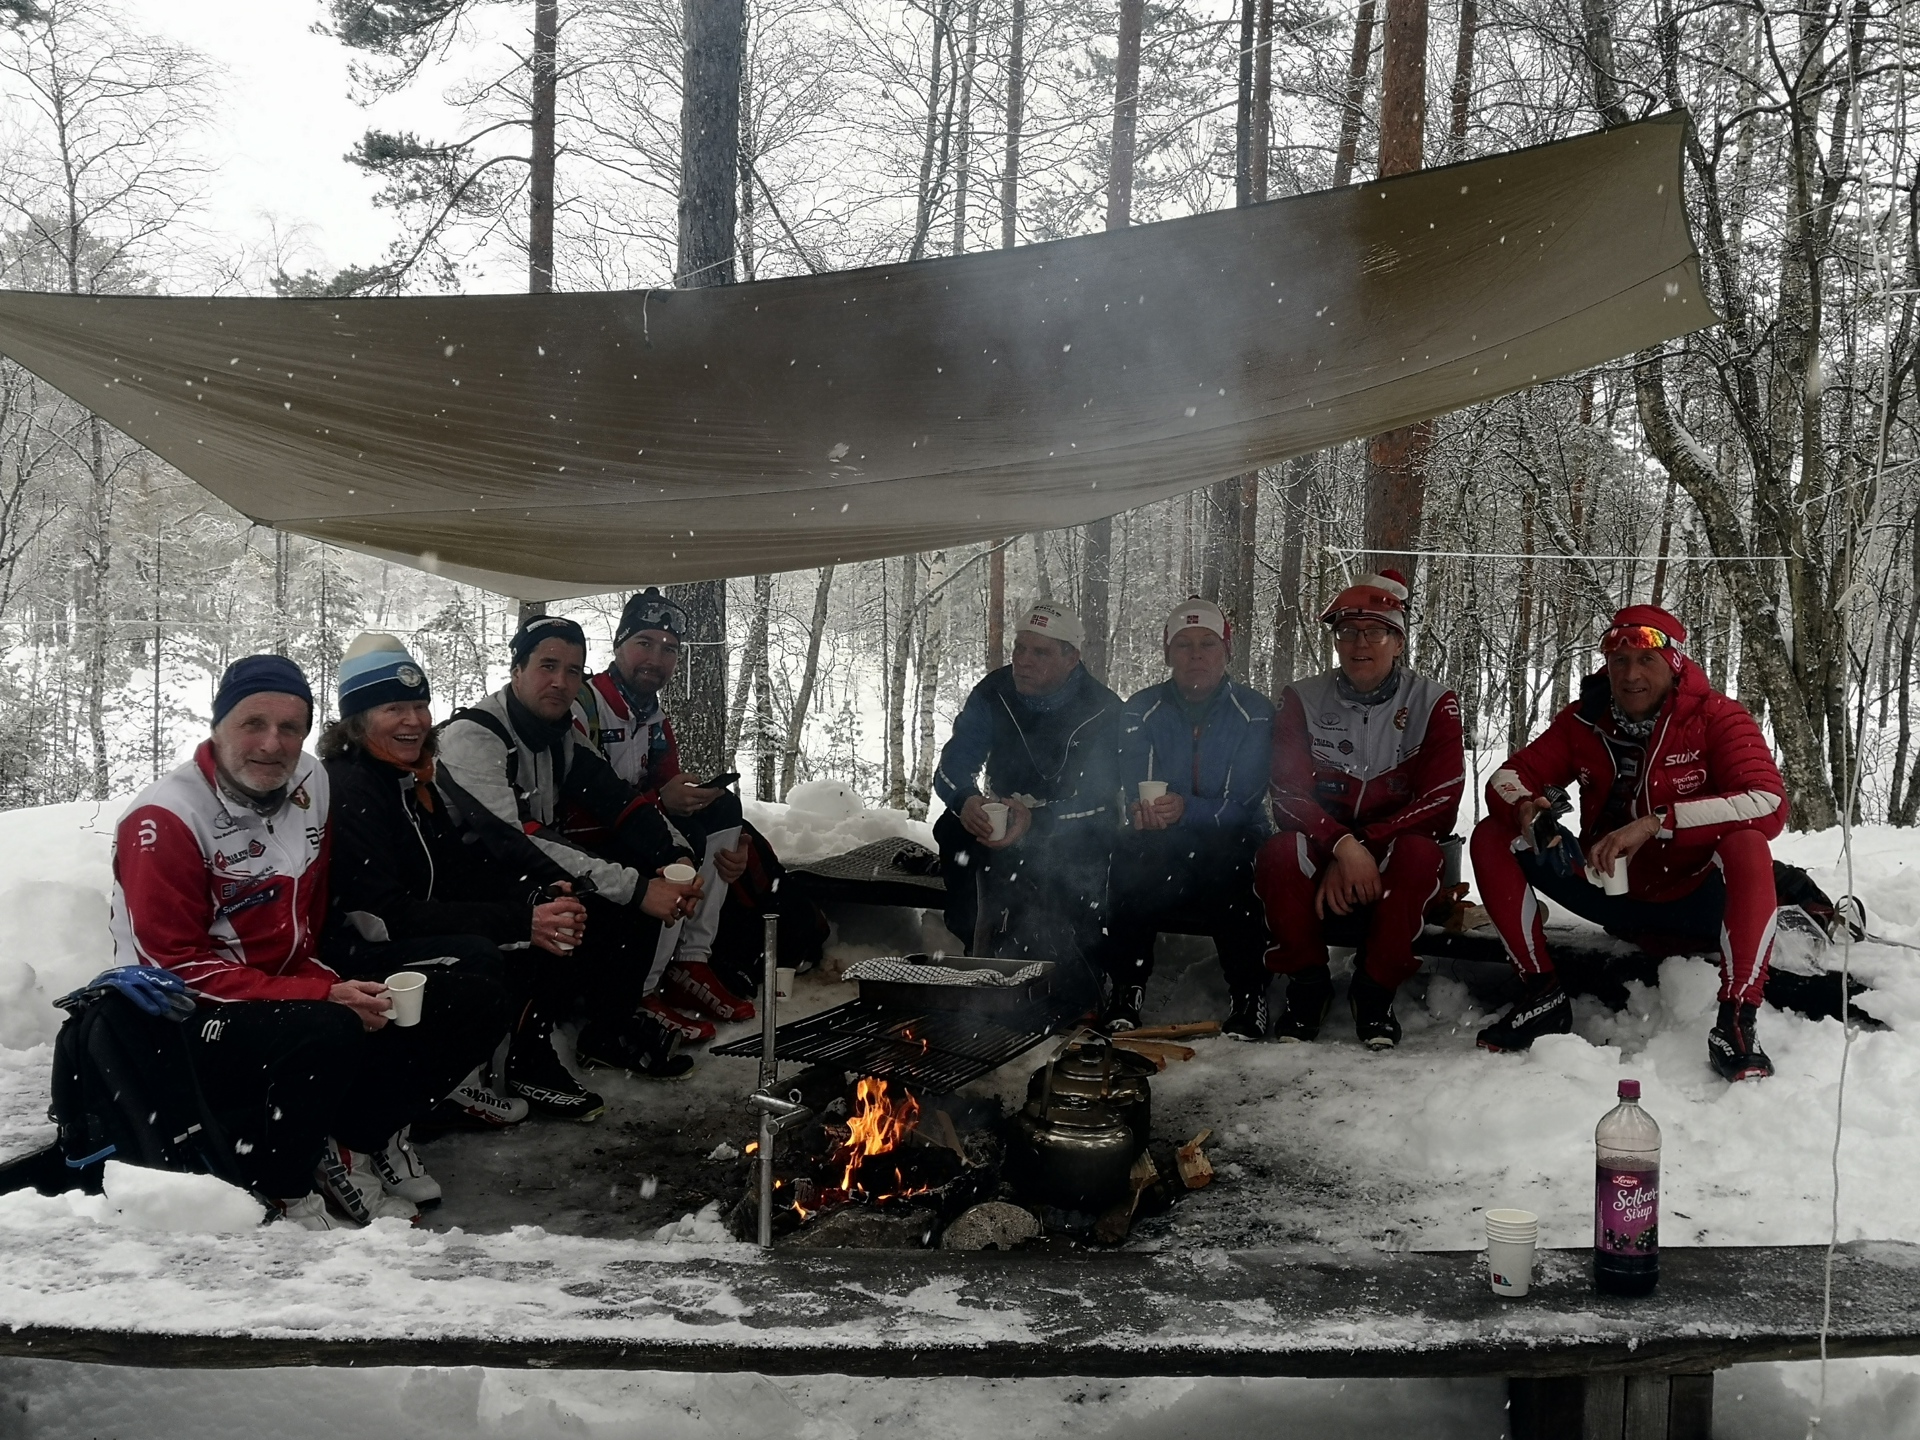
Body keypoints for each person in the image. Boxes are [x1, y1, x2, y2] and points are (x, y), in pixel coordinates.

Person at [110, 655, 509, 1229]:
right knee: (330, 1026)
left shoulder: (309, 782)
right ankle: (283, 1191)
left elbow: (306, 919)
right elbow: (174, 967)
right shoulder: (165, 818)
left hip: (285, 982)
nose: (273, 744)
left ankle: (354, 1139)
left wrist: (335, 984)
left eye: (291, 727)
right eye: (254, 724)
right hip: (179, 1013)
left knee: (463, 1001)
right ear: (218, 724)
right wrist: (318, 998)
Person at [1470, 605, 1786, 1081]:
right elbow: (1508, 776)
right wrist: (1528, 807)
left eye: (1646, 661)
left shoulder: (1717, 717)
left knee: (1747, 843)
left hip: (1694, 895)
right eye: (1619, 661)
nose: (1631, 675)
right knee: (1493, 834)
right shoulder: (1585, 719)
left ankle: (1736, 1021)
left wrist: (1657, 822)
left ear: (1674, 663)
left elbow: (1767, 803)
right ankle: (1542, 993)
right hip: (1611, 889)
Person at [322, 632, 606, 1125]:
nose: (413, 721)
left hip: (403, 927)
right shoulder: (351, 788)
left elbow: (456, 867)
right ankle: (433, 1092)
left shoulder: (411, 779)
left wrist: (534, 895)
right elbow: (382, 917)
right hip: (355, 949)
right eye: (393, 708)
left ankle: (524, 1063)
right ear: (358, 719)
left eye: (419, 705)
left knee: (553, 922)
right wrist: (518, 922)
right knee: (479, 955)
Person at [436, 614, 702, 1078]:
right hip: (463, 881)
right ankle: (526, 1056)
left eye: (573, 671)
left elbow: (617, 798)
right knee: (586, 897)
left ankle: (606, 1031)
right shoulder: (474, 735)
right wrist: (636, 889)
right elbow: (512, 840)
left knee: (634, 872)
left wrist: (674, 857)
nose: (560, 682)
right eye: (547, 666)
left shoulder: (559, 733)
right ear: (517, 669)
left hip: (522, 862)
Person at [1254, 571, 1464, 1049]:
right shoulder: (1302, 698)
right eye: (1347, 632)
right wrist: (1343, 845)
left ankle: (1375, 992)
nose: (1359, 643)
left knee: (1419, 855)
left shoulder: (1434, 702)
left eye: (1374, 631)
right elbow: (1286, 794)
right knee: (1279, 854)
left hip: (1389, 853)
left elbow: (1442, 802)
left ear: (1398, 641)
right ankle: (1308, 985)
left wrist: (1364, 845)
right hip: (1328, 844)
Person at [574, 587, 757, 1026]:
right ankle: (643, 987)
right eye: (644, 644)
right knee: (677, 845)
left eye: (670, 649)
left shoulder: (652, 716)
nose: (656, 659)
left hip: (633, 822)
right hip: (585, 837)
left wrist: (725, 836)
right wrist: (660, 802)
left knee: (722, 811)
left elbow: (664, 782)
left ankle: (691, 961)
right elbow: (577, 802)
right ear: (619, 645)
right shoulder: (585, 705)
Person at [931, 602, 1120, 1007]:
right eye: (1019, 649)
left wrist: (1037, 819)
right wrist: (966, 801)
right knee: (952, 832)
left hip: (1069, 826)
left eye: (1040, 652)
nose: (1023, 661)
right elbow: (952, 766)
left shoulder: (1102, 709)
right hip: (1000, 818)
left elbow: (1103, 800)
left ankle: (1073, 977)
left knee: (1067, 870)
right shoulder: (994, 692)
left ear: (1072, 658)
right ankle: (978, 955)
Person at [1101, 598, 1274, 1038]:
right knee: (1129, 854)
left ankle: (1248, 993)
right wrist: (1146, 813)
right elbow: (1137, 778)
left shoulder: (1254, 712)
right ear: (1167, 654)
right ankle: (1126, 986)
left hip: (1233, 835)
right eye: (1183, 645)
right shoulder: (1141, 709)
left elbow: (1245, 801)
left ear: (1226, 651)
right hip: (1167, 838)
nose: (1195, 655)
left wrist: (1188, 809)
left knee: (1229, 863)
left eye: (1207, 644)